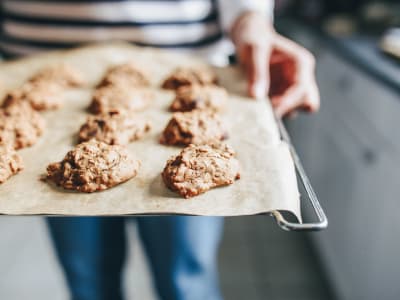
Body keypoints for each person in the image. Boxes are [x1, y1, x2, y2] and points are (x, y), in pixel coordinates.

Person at [0, 1, 320, 300]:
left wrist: (248, 17)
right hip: (28, 67)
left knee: (185, 279)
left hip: (189, 58)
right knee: (88, 278)